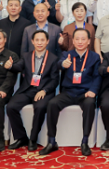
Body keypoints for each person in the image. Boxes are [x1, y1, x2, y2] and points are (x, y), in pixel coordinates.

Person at [40, 28, 101, 156]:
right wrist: (63, 64)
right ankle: (51, 141)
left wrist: (93, 91)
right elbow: (58, 64)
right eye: (77, 39)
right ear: (73, 40)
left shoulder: (95, 57)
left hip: (85, 93)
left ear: (89, 41)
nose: (80, 42)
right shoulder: (66, 54)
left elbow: (97, 77)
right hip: (68, 92)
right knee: (52, 104)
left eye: (83, 39)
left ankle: (85, 142)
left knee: (90, 104)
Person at [5, 30, 59, 152]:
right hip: (27, 89)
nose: (39, 43)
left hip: (44, 91)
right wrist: (11, 66)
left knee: (40, 107)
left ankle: (33, 139)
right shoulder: (26, 56)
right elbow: (18, 66)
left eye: (42, 40)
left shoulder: (53, 58)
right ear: (32, 41)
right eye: (37, 40)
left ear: (47, 41)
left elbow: (54, 80)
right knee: (11, 107)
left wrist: (44, 90)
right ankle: (21, 137)